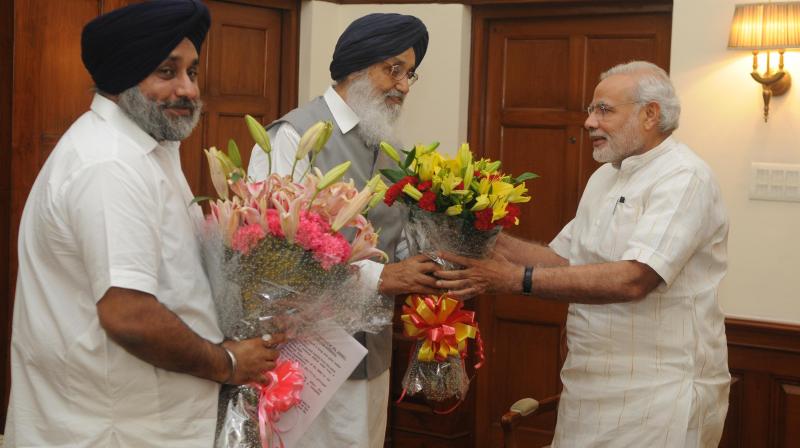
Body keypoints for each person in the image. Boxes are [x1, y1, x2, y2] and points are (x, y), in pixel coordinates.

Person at [4, 1, 282, 446]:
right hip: (114, 428)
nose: (189, 89)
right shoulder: (108, 163)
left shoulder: (149, 146)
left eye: (192, 71)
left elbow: (178, 279)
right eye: (167, 72)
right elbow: (129, 315)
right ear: (121, 77)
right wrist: (227, 363)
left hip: (156, 420)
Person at [436, 61, 730, 447]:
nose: (589, 122)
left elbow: (634, 278)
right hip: (586, 385)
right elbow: (565, 260)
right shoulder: (605, 177)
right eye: (591, 110)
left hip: (659, 391)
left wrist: (514, 280)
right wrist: (486, 238)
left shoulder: (684, 177)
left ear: (650, 114)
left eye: (604, 110)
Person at [247, 12, 437, 448]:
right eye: (394, 70)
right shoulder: (293, 137)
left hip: (374, 355)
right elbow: (274, 252)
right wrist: (382, 278)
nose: (404, 86)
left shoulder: (392, 148)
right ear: (358, 65)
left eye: (410, 74)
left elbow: (395, 240)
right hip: (306, 354)